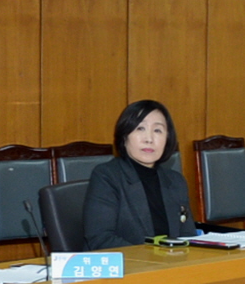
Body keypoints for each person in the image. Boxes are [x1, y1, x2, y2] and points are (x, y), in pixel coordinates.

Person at [83, 100, 197, 249]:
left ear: (168, 138)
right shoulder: (107, 176)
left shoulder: (176, 181)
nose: (149, 139)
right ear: (124, 136)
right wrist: (153, 258)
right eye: (140, 128)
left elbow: (187, 236)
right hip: (128, 262)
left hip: (172, 261)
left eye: (157, 131)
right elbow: (101, 239)